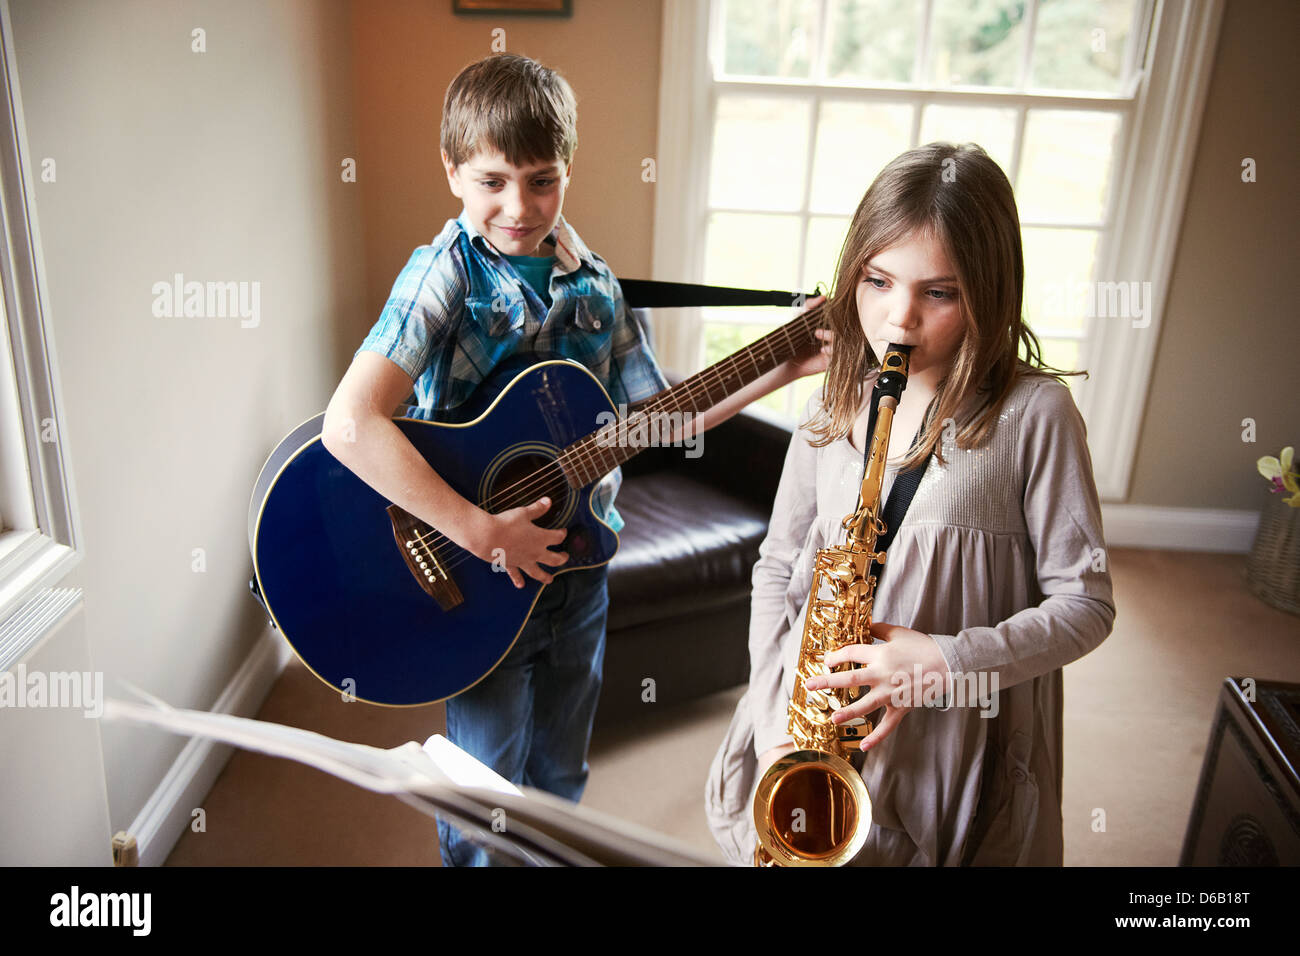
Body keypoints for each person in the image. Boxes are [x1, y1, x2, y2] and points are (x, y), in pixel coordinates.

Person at [320, 53, 829, 866]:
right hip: (477, 574)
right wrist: (482, 531)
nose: (517, 207)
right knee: (484, 790)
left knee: (559, 777)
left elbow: (658, 421)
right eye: (491, 181)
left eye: (541, 180)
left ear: (566, 171)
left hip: (578, 570)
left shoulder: (592, 284)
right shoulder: (443, 274)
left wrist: (786, 362)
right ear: (451, 171)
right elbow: (350, 425)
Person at [705, 142, 1117, 866]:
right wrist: (776, 727)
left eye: (940, 292)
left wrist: (947, 661)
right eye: (878, 281)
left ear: (988, 292)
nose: (898, 320)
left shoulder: (1035, 415)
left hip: (954, 742)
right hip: (810, 735)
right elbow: (776, 568)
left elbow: (1086, 606)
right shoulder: (831, 403)